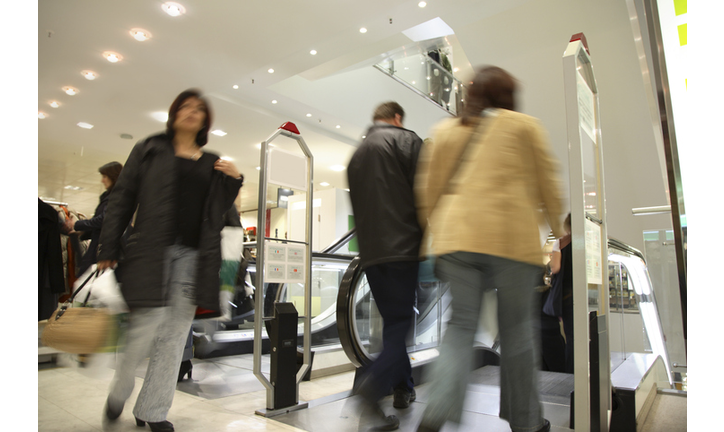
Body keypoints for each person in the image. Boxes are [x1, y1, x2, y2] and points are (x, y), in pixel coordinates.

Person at [414, 66, 565, 432]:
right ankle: (526, 421)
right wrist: (557, 230)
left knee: (460, 328)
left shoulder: (446, 130)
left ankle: (436, 412)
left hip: (457, 241)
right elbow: (549, 185)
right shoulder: (525, 126)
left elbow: (427, 190)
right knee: (517, 332)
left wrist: (440, 231)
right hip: (511, 240)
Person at [97, 89, 243, 432]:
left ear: (206, 120)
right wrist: (107, 249)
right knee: (141, 332)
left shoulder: (212, 162)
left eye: (199, 109)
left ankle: (153, 410)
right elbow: (123, 198)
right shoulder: (149, 148)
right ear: (174, 113)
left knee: (174, 336)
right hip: (150, 253)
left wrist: (235, 179)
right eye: (185, 106)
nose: (192, 112)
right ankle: (120, 388)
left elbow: (221, 211)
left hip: (193, 258)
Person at [347, 101, 424, 431]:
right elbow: (425, 194)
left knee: (393, 324)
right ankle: (371, 386)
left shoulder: (357, 155)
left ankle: (403, 387)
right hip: (403, 249)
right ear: (397, 118)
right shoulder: (406, 140)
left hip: (371, 256)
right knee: (398, 328)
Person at [65, 161, 123, 276]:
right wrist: (83, 232)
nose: (102, 180)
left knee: (88, 285)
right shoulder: (108, 197)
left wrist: (77, 224)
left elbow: (104, 220)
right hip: (98, 249)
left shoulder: (117, 197)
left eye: (105, 176)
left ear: (113, 177)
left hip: (103, 252)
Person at [550, 213, 574, 373]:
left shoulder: (560, 242)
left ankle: (572, 373)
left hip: (567, 297)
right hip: (586, 297)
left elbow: (555, 268)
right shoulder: (589, 241)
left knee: (571, 338)